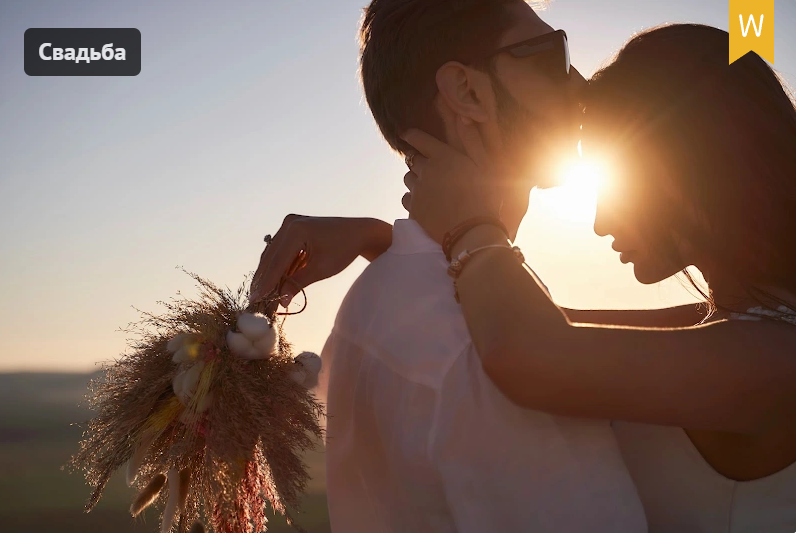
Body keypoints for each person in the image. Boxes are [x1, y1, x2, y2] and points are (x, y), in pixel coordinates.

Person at [253, 23, 796, 533]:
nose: (603, 220)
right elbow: (514, 321)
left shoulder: (778, 357)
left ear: (693, 165)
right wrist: (381, 239)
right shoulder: (730, 326)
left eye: (622, 181)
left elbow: (532, 350)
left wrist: (472, 222)